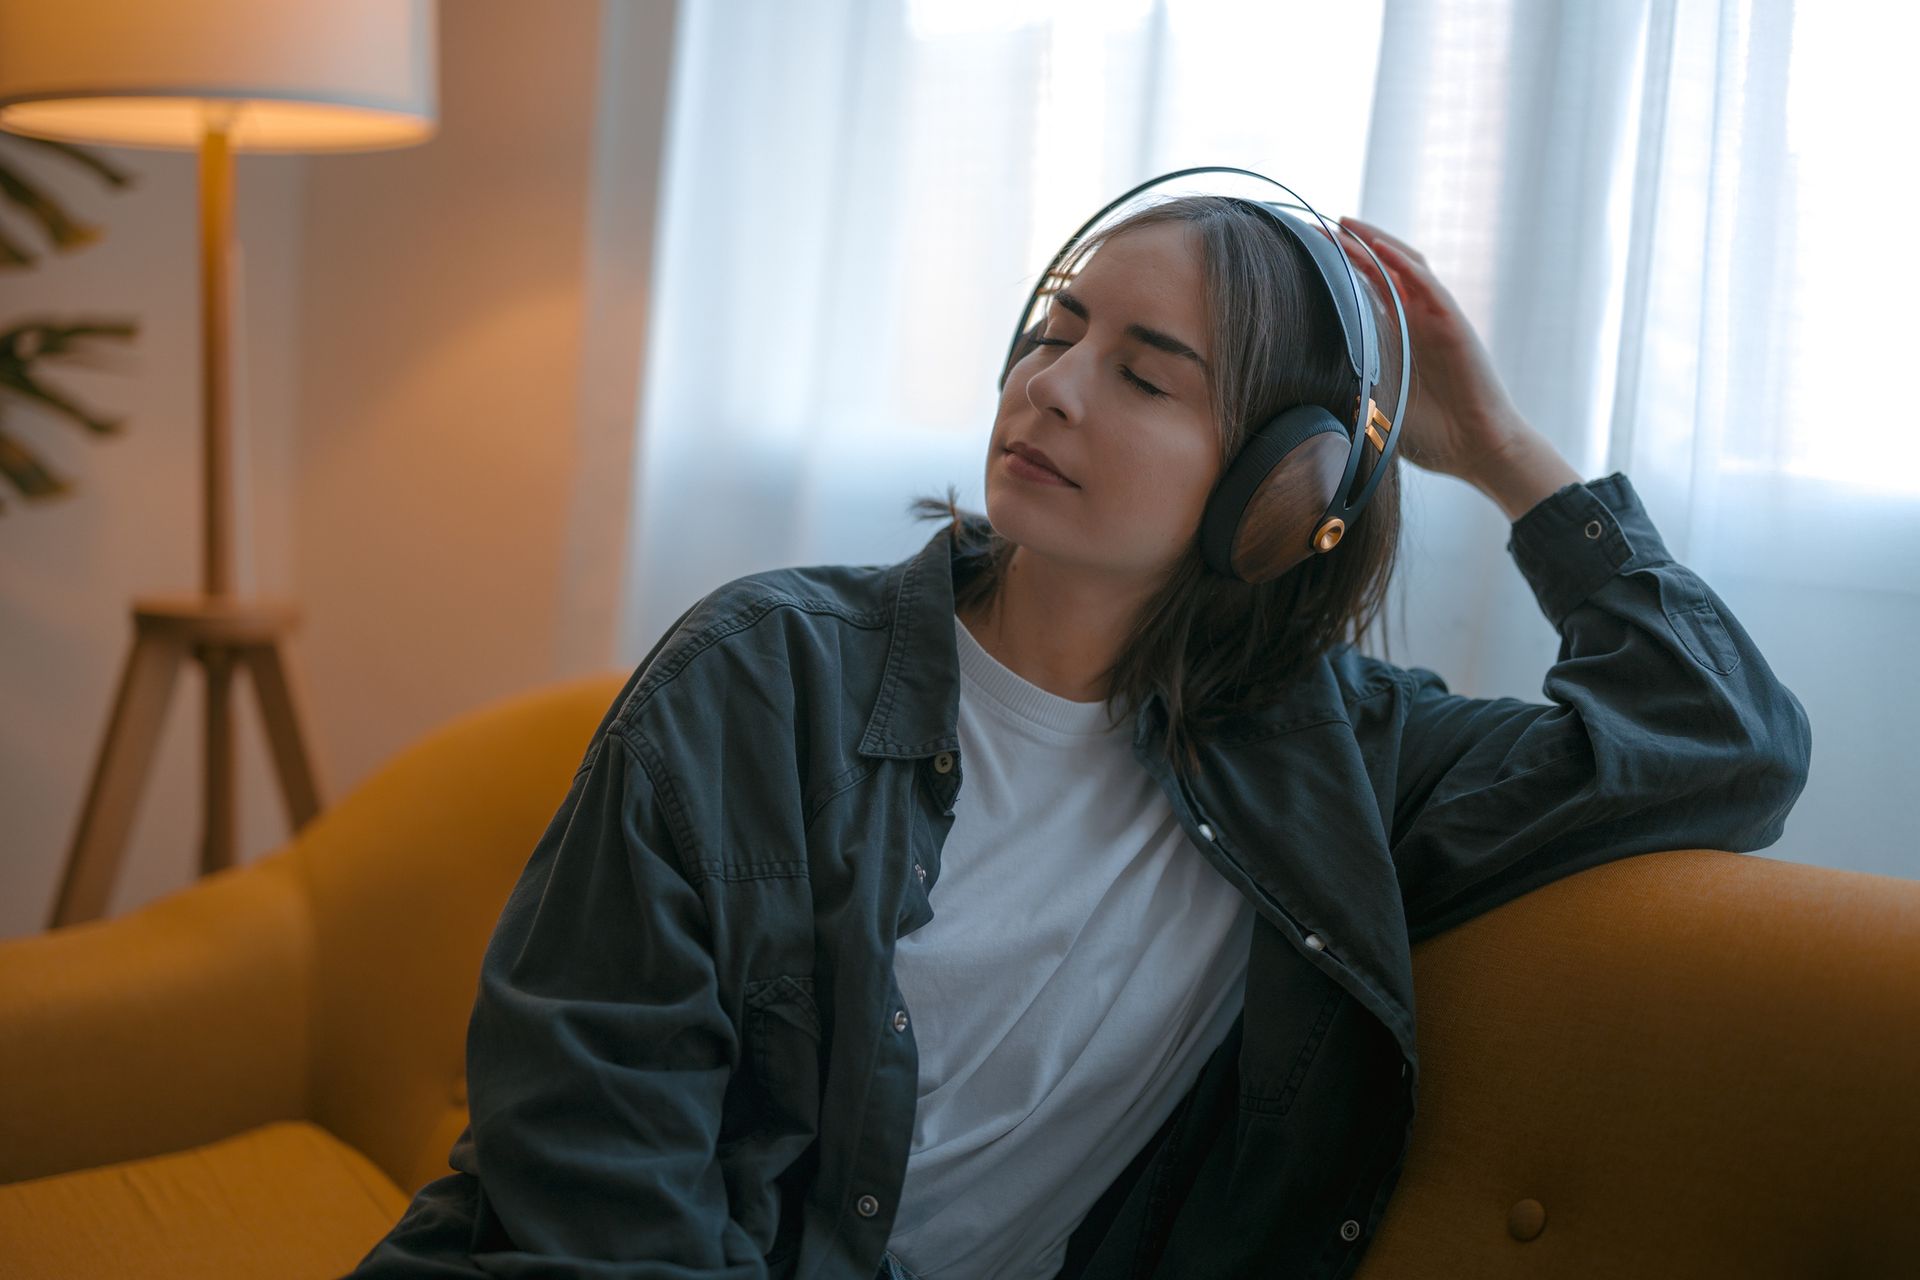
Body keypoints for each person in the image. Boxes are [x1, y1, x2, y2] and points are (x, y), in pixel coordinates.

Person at [343, 196, 1811, 1280]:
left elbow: (1725, 739)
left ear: (1285, 490)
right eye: (1054, 332)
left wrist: (1499, 449)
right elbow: (595, 1160)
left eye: (1144, 375)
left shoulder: (1338, 771)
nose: (1048, 386)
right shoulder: (763, 675)